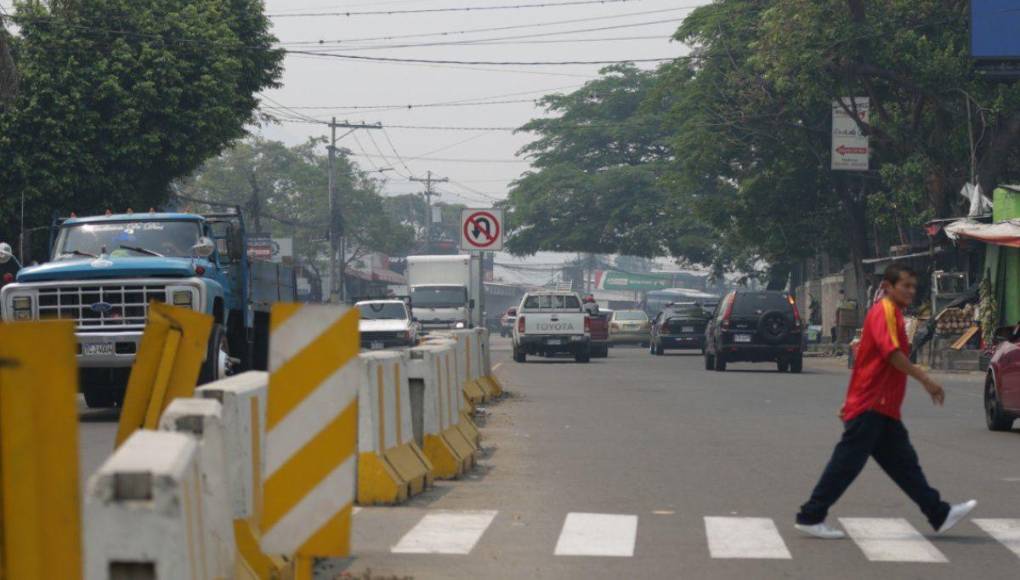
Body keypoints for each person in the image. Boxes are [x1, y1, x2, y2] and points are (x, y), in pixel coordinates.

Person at [794, 262, 976, 539]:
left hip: (880, 407)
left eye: (913, 286)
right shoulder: (886, 312)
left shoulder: (890, 313)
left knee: (904, 465)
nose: (910, 291)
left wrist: (850, 401)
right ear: (888, 287)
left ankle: (938, 513)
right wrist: (925, 380)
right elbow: (891, 353)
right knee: (846, 464)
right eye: (905, 286)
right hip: (872, 405)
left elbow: (868, 361)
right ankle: (811, 515)